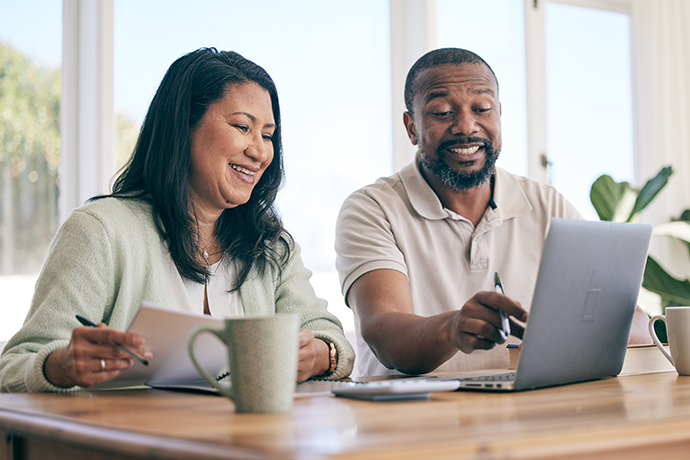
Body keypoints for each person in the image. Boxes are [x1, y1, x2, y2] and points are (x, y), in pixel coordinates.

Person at [0, 48, 354, 392]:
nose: (260, 151)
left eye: (267, 135)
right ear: (183, 126)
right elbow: (14, 367)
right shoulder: (100, 231)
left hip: (249, 444)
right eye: (243, 127)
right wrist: (60, 365)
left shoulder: (271, 246)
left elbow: (329, 336)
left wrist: (321, 354)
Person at [335, 48, 650, 377]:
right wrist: (452, 328)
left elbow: (634, 325)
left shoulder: (546, 205)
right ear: (411, 127)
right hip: (410, 418)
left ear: (498, 114)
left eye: (482, 109)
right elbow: (384, 333)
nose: (466, 126)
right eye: (442, 112)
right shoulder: (372, 209)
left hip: (525, 412)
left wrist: (565, 340)